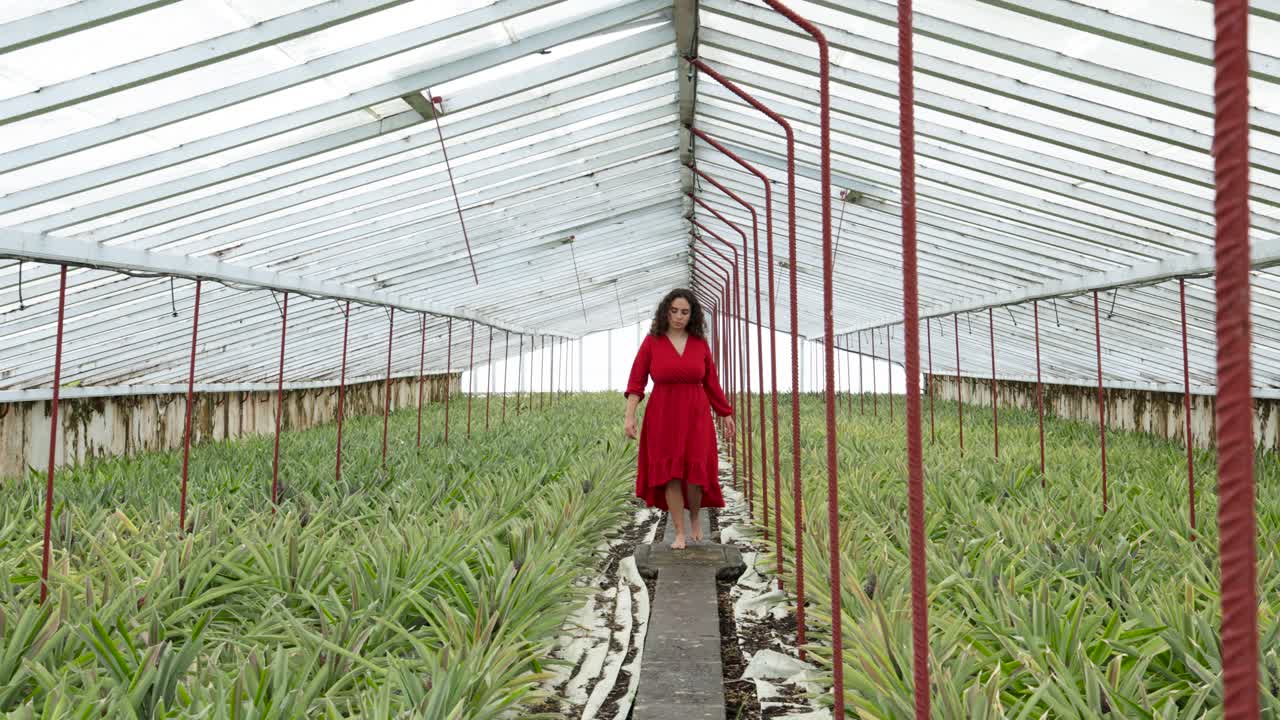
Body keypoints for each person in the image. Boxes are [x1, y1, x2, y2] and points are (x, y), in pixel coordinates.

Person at [624, 288, 736, 550]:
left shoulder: (699, 344)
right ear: (665, 311)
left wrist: (725, 412)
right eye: (673, 311)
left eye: (684, 312)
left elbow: (711, 382)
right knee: (671, 474)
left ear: (692, 315)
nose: (678, 316)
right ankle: (679, 531)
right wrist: (630, 417)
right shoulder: (652, 342)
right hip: (663, 415)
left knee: (695, 473)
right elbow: (636, 382)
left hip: (696, 414)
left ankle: (696, 516)